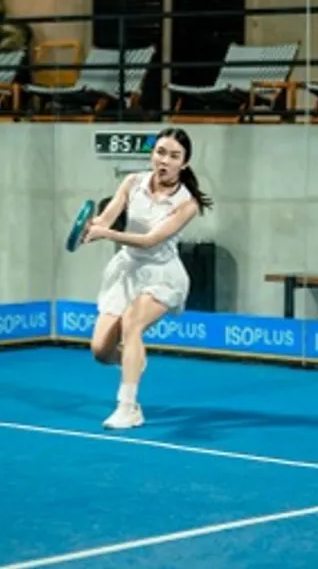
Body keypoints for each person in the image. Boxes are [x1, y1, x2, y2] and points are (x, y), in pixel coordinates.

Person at [81, 128, 213, 430]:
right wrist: (91, 227)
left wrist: (106, 234)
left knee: (132, 325)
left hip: (162, 273)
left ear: (184, 163)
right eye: (160, 152)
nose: (164, 160)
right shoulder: (132, 182)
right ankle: (133, 359)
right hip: (127, 270)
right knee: (101, 351)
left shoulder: (188, 203)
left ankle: (128, 407)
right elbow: (105, 218)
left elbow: (150, 240)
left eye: (174, 156)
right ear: (152, 154)